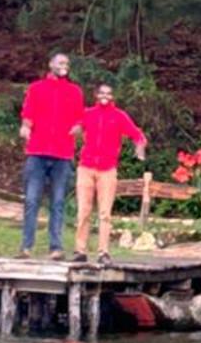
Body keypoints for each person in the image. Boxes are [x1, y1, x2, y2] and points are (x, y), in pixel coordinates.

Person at [19, 51, 84, 260]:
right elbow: (28, 113)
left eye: (66, 62)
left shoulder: (75, 91)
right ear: (51, 64)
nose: (63, 65)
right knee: (31, 200)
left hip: (62, 154)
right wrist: (26, 127)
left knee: (57, 202)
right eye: (60, 62)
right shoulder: (37, 88)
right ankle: (26, 247)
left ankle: (55, 248)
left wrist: (78, 127)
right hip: (37, 152)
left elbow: (80, 118)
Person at [74, 81, 148, 264]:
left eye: (108, 94)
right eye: (102, 93)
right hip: (86, 167)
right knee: (83, 211)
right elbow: (72, 127)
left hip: (107, 169)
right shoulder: (87, 114)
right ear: (96, 95)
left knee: (105, 213)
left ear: (112, 96)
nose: (105, 96)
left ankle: (103, 252)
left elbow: (137, 134)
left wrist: (139, 147)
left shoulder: (119, 116)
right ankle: (80, 251)